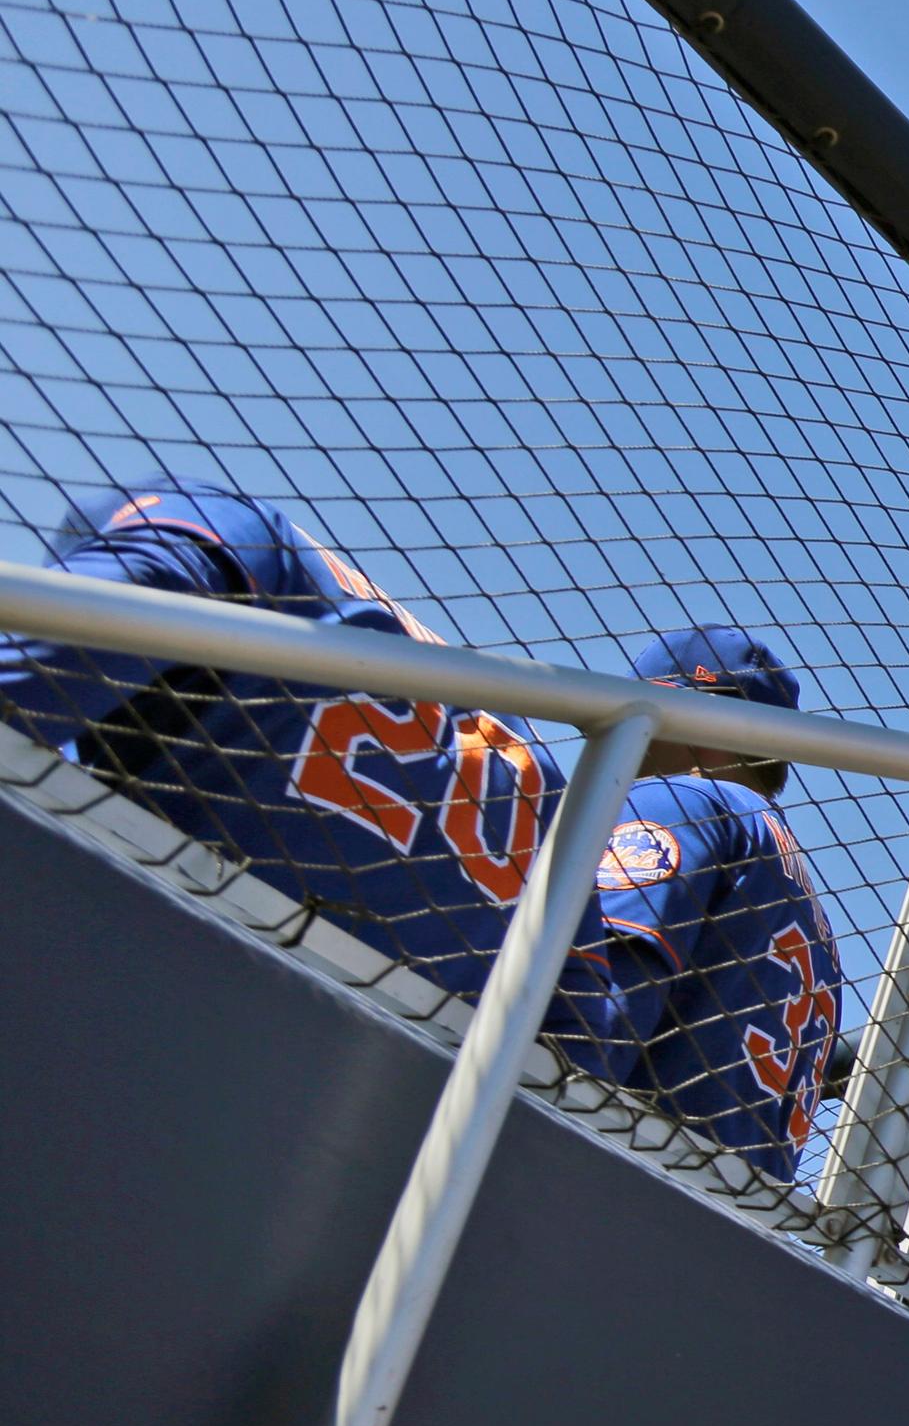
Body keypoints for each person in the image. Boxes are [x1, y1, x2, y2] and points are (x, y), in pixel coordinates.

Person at [0, 478, 617, 1039]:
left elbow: (123, 600)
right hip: (422, 1086)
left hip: (180, 975)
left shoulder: (240, 521)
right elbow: (582, 1028)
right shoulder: (527, 744)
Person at [573, 626, 845, 1188]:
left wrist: (542, 1089)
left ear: (691, 712)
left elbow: (610, 999)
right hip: (737, 1209)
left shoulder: (683, 799)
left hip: (617, 1164)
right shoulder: (808, 908)